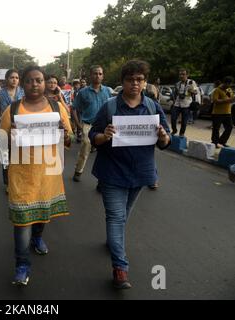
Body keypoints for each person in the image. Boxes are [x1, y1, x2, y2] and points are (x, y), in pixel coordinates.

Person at [89, 60, 171, 289]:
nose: (135, 83)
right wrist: (103, 136)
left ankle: (112, 241)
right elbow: (93, 136)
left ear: (145, 83)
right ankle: (120, 268)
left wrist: (164, 137)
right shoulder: (110, 107)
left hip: (140, 174)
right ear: (122, 82)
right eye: (130, 79)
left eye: (139, 79)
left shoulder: (153, 107)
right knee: (116, 218)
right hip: (112, 173)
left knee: (123, 216)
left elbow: (166, 140)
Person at [0, 65, 73, 286]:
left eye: (39, 80)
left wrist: (62, 131)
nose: (35, 84)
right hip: (21, 175)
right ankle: (22, 265)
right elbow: (0, 144)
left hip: (48, 173)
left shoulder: (56, 107)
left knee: (42, 212)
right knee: (22, 224)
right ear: (23, 84)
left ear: (45, 83)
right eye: (30, 81)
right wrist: (10, 135)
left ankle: (38, 237)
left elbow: (68, 140)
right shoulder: (12, 110)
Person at [72, 65, 112, 183]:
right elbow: (74, 108)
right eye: (95, 73)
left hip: (104, 126)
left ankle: (102, 180)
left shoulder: (108, 91)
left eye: (100, 73)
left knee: (106, 152)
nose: (98, 76)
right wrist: (79, 125)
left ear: (103, 76)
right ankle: (78, 171)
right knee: (85, 147)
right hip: (88, 125)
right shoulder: (83, 92)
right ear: (91, 75)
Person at [0, 69, 25, 190]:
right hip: (4, 128)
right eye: (12, 77)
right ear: (6, 79)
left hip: (20, 129)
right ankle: (7, 182)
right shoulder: (0, 94)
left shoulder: (23, 92)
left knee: (19, 156)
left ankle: (18, 179)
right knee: (5, 156)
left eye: (16, 78)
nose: (14, 80)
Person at [170, 68, 198, 136]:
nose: (181, 76)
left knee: (184, 121)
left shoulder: (191, 82)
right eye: (180, 74)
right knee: (173, 118)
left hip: (186, 104)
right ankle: (174, 130)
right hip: (177, 104)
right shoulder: (177, 84)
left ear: (187, 75)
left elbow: (196, 92)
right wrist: (173, 100)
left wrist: (191, 91)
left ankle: (181, 133)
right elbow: (175, 94)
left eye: (183, 74)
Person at [211, 76, 235, 148]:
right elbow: (215, 100)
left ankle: (222, 142)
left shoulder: (229, 89)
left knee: (229, 127)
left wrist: (232, 99)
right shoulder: (217, 90)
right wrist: (227, 100)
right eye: (228, 84)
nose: (229, 85)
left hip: (227, 112)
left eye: (230, 84)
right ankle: (215, 142)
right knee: (216, 128)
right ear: (225, 83)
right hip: (217, 113)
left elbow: (231, 98)